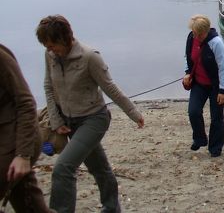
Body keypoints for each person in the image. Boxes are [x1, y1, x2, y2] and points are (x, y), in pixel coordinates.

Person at [36, 15, 145, 213]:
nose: (49, 50)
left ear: (64, 38)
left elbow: (110, 88)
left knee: (63, 168)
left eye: (52, 45)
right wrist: (55, 119)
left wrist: (133, 113)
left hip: (94, 119)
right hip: (68, 121)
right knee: (99, 168)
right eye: (46, 46)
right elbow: (48, 87)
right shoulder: (50, 55)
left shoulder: (89, 57)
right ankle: (112, 208)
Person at [0, 43, 52, 212]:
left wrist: (23, 155)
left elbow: (26, 104)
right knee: (29, 204)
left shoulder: (1, 57)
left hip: (18, 138)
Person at [182, 15, 224, 158]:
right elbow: (189, 57)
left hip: (216, 85)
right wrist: (187, 73)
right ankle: (200, 138)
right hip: (199, 83)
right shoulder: (191, 38)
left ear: (205, 32)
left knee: (216, 117)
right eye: (194, 33)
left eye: (198, 34)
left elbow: (223, 68)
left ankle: (215, 147)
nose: (195, 35)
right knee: (193, 111)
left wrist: (223, 90)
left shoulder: (216, 43)